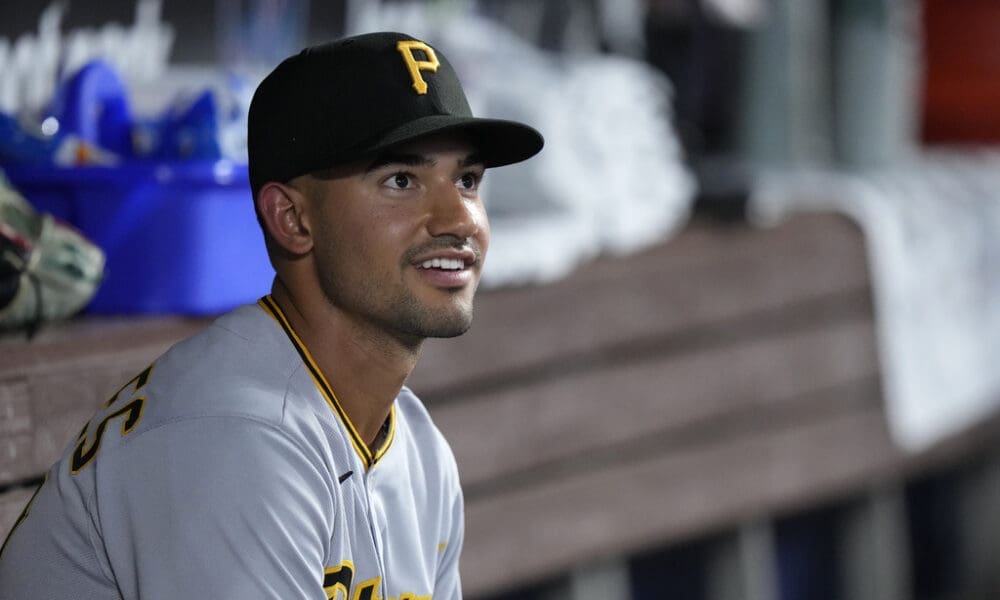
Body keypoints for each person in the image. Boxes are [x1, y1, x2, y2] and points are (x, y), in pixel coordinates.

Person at [0, 31, 543, 599]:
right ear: (291, 218)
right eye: (400, 180)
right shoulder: (234, 438)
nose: (459, 218)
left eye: (468, 180)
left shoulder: (418, 448)